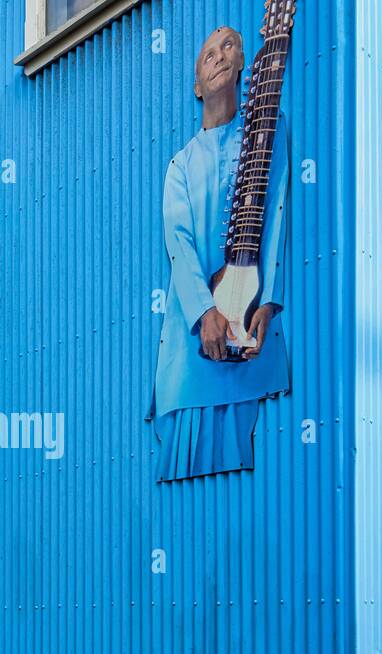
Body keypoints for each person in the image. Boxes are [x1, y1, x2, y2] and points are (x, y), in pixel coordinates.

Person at [153, 25, 290, 481]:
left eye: (228, 46)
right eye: (207, 52)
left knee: (255, 458)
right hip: (192, 346)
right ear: (197, 85)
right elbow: (180, 245)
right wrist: (204, 311)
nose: (217, 56)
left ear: (243, 66)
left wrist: (267, 302)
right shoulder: (180, 166)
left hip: (251, 329)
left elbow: (277, 215)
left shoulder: (268, 131)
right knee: (186, 458)